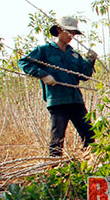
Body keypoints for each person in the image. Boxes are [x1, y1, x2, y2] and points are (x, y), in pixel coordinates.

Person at [19, 16, 98, 157]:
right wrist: (42, 74)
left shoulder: (74, 55)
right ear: (59, 30)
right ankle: (55, 168)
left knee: (89, 135)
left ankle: (91, 163)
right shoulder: (44, 51)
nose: (71, 36)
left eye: (74, 33)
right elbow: (24, 63)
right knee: (57, 139)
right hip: (57, 101)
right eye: (69, 32)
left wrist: (90, 61)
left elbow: (84, 76)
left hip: (76, 100)